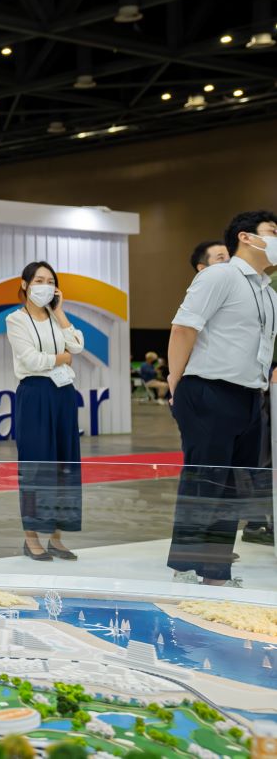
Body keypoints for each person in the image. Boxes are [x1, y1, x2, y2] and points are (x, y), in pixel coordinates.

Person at [166, 210, 277, 586]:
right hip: (209, 390)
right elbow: (183, 328)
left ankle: (215, 571)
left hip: (250, 397)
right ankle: (188, 566)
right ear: (246, 237)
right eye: (272, 231)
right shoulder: (220, 275)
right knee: (205, 481)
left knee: (233, 487)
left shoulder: (267, 292)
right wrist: (176, 381)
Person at [6, 262, 85, 562]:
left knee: (65, 464)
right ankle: (31, 538)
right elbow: (31, 360)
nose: (45, 286)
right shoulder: (16, 320)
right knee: (36, 466)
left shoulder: (55, 317)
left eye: (51, 281)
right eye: (39, 280)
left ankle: (57, 537)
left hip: (63, 393)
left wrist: (60, 312)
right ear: (25, 284)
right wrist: (61, 358)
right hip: (35, 395)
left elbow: (77, 346)